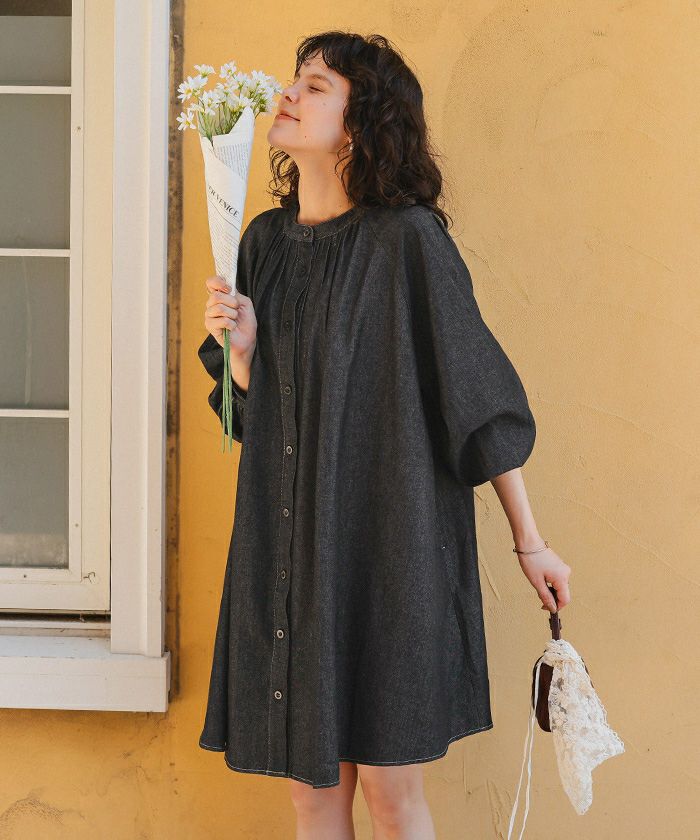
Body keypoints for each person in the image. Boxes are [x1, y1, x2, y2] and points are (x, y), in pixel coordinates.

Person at [198, 31, 572, 840]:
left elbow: (476, 397)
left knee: (392, 797)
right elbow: (249, 417)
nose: (289, 94)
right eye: (295, 80)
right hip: (287, 552)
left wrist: (531, 543)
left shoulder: (407, 240)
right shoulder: (260, 243)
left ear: (361, 124)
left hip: (389, 554)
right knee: (311, 798)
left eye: (317, 86)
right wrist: (244, 355)